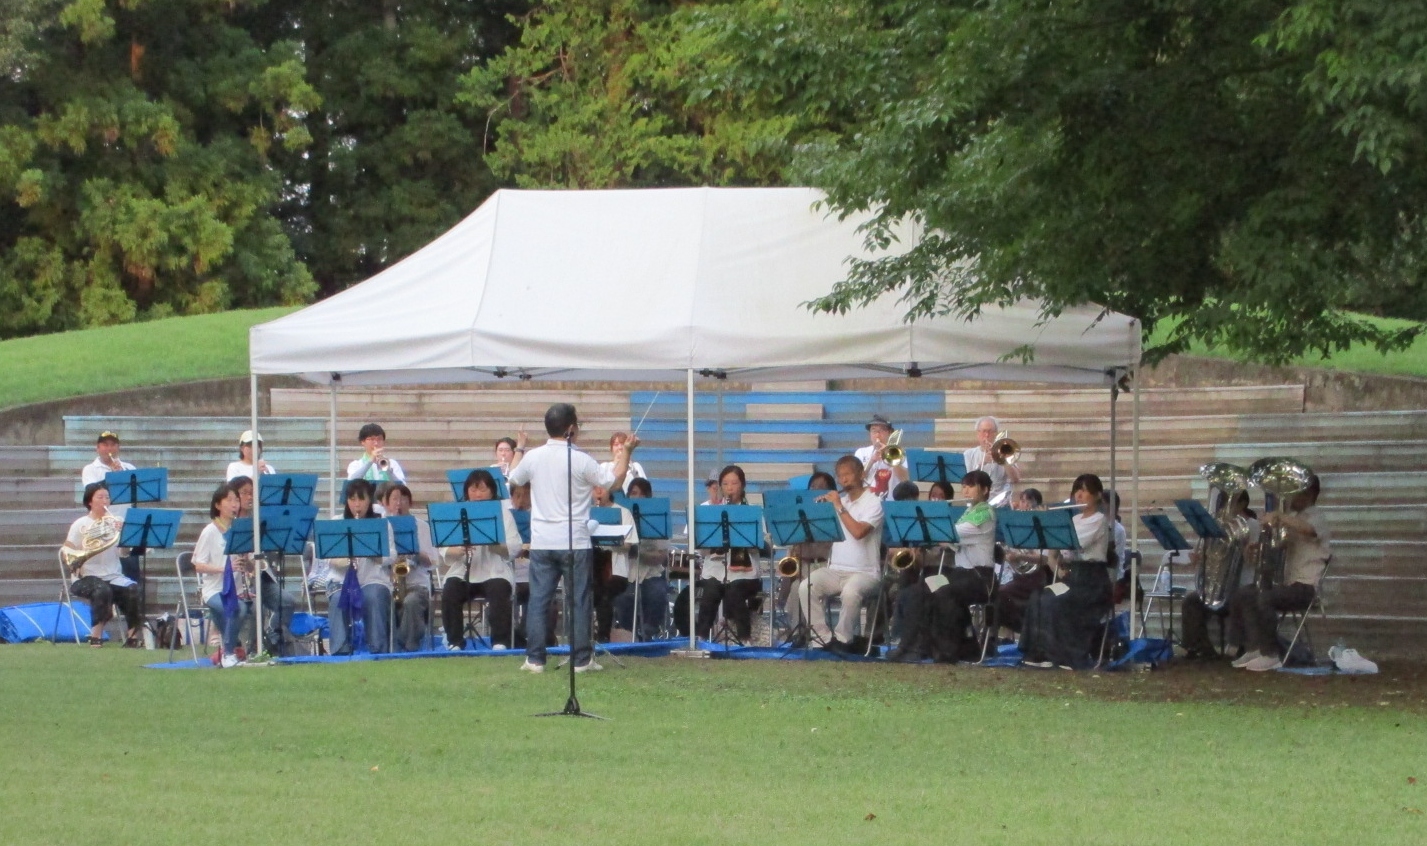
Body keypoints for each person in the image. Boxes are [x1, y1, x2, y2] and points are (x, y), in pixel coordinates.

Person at [505, 403, 636, 673]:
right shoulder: (581, 459)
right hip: (574, 540)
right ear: (570, 428)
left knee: (539, 599)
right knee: (579, 601)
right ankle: (581, 659)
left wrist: (519, 448)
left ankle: (535, 658)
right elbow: (614, 481)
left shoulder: (534, 457)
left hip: (542, 540)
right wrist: (628, 452)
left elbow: (513, 478)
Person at [889, 471, 998, 662]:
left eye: (971, 486)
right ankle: (910, 645)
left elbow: (950, 533)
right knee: (917, 590)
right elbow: (949, 540)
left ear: (985, 489)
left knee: (942, 591)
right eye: (964, 486)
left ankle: (946, 650)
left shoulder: (985, 513)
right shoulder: (968, 512)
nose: (965, 490)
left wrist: (925, 528)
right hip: (961, 574)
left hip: (980, 578)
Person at [1230, 475, 1330, 672]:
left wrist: (1279, 516)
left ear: (1308, 493)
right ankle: (1253, 647)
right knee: (1245, 594)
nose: (1291, 495)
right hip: (1287, 583)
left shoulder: (1316, 516)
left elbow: (1309, 530)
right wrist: (1257, 549)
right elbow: (1276, 550)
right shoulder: (1293, 519)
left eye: (1296, 490)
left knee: (1266, 598)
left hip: (1306, 587)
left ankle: (1271, 654)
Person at [1020, 474, 1115, 669]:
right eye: (1076, 491)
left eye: (1085, 491)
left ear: (1097, 495)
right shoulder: (1075, 518)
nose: (1079, 496)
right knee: (1040, 595)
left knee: (1058, 600)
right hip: (1074, 577)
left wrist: (1051, 521)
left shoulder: (1099, 520)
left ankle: (1067, 655)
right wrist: (1044, 523)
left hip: (1092, 581)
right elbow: (1056, 551)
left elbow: (1074, 542)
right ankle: (1040, 652)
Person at [803, 455, 885, 652]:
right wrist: (819, 513)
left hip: (865, 573)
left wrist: (839, 507)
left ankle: (842, 639)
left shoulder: (874, 503)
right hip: (836, 570)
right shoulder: (840, 502)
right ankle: (823, 638)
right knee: (806, 587)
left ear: (861, 474)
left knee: (850, 592)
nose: (843, 480)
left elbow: (858, 532)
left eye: (848, 474)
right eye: (840, 476)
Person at [675, 465, 762, 643]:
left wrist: (740, 537)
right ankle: (700, 638)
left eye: (734, 483)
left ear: (743, 485)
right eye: (725, 483)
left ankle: (745, 639)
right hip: (716, 568)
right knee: (709, 595)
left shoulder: (751, 510)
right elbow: (702, 548)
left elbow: (758, 545)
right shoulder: (711, 512)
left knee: (735, 593)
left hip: (745, 572)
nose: (730, 488)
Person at [439, 470, 521, 651]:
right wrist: (459, 550)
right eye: (473, 490)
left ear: (492, 491)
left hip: (494, 569)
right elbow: (445, 550)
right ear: (466, 491)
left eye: (483, 490)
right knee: (450, 589)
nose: (478, 494)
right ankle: (454, 641)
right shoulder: (457, 512)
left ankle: (500, 641)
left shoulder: (502, 513)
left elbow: (515, 547)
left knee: (499, 588)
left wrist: (495, 545)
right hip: (464, 569)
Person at [1179, 490, 1259, 660]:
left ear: (1243, 504)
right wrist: (1201, 558)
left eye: (1230, 503)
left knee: (1240, 599)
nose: (1225, 508)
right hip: (1220, 587)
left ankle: (1239, 647)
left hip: (1241, 585)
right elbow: (1214, 557)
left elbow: (1253, 559)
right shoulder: (1218, 527)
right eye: (1223, 504)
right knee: (1191, 601)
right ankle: (1202, 649)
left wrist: (1246, 552)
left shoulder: (1252, 525)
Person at [63, 482, 141, 648]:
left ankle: (133, 637)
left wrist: (125, 535)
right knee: (102, 589)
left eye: (107, 497)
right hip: (85, 576)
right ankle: (95, 636)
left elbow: (124, 553)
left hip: (113, 574)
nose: (105, 501)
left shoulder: (116, 522)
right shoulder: (80, 524)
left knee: (133, 589)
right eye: (100, 497)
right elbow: (67, 550)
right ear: (90, 501)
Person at [226, 477, 295, 655]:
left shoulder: (259, 521)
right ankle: (251, 649)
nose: (249, 497)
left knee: (287, 601)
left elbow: (267, 554)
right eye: (244, 493)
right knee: (256, 606)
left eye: (252, 493)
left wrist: (254, 563)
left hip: (258, 577)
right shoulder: (227, 522)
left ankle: (272, 636)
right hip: (234, 582)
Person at [322, 479, 388, 655]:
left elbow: (392, 555)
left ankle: (378, 648)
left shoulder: (381, 524)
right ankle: (340, 650)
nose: (357, 505)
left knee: (373, 596)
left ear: (370, 501)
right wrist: (344, 560)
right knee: (337, 600)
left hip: (372, 579)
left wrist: (377, 555)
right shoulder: (337, 522)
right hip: (341, 580)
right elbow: (327, 556)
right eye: (352, 499)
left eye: (361, 499)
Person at [778, 471, 837, 645]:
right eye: (812, 487)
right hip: (803, 565)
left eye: (821, 488)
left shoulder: (834, 515)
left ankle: (817, 634)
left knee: (806, 586)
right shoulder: (802, 514)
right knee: (796, 587)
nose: (815, 491)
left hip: (825, 565)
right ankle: (798, 633)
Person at [190, 484, 244, 666]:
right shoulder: (210, 531)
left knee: (243, 608)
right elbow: (198, 565)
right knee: (233, 609)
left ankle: (234, 648)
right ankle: (229, 652)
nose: (234, 504)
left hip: (236, 589)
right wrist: (225, 569)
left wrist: (248, 563)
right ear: (218, 505)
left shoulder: (240, 530)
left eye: (236, 500)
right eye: (229, 500)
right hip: (214, 589)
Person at [382, 483, 439, 652]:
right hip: (389, 583)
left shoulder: (422, 527)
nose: (399, 504)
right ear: (386, 503)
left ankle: (407, 645)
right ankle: (390, 644)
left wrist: (416, 553)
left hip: (418, 583)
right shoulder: (382, 526)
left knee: (411, 602)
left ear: (411, 503)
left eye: (403, 499)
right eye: (395, 499)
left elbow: (433, 562)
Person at [995, 488, 1059, 636]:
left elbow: (1045, 559)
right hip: (1019, 575)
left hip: (1037, 577)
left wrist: (1021, 557)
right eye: (1023, 501)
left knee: (1001, 595)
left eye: (1030, 502)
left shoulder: (1043, 527)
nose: (1026, 505)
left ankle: (1022, 629)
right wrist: (1012, 556)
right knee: (998, 593)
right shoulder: (1018, 526)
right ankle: (1007, 633)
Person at [613, 478, 668, 641]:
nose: (638, 497)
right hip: (626, 572)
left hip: (651, 572)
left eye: (643, 494)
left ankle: (648, 632)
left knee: (658, 592)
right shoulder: (619, 516)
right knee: (624, 596)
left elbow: (661, 555)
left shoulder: (657, 519)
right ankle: (628, 632)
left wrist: (641, 554)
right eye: (634, 493)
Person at [592, 484, 637, 641]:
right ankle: (584, 637)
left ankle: (603, 637)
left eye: (602, 488)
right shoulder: (587, 513)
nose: (598, 492)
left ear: (609, 490)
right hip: (593, 568)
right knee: (586, 593)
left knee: (604, 595)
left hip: (616, 571)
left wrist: (610, 540)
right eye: (594, 488)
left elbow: (629, 544)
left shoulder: (623, 513)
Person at [963, 416, 1021, 506]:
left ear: (996, 434)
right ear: (978, 433)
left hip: (1001, 502)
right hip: (977, 503)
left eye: (990, 431)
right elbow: (967, 481)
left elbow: (1016, 479)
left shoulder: (1005, 452)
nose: (987, 435)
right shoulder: (968, 454)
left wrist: (1003, 460)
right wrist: (982, 462)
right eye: (983, 431)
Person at [854, 415, 909, 499]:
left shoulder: (898, 453)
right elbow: (856, 479)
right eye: (873, 430)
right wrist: (872, 460)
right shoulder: (861, 452)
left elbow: (905, 479)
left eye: (882, 430)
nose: (877, 435)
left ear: (890, 433)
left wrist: (890, 458)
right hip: (867, 504)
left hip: (891, 502)